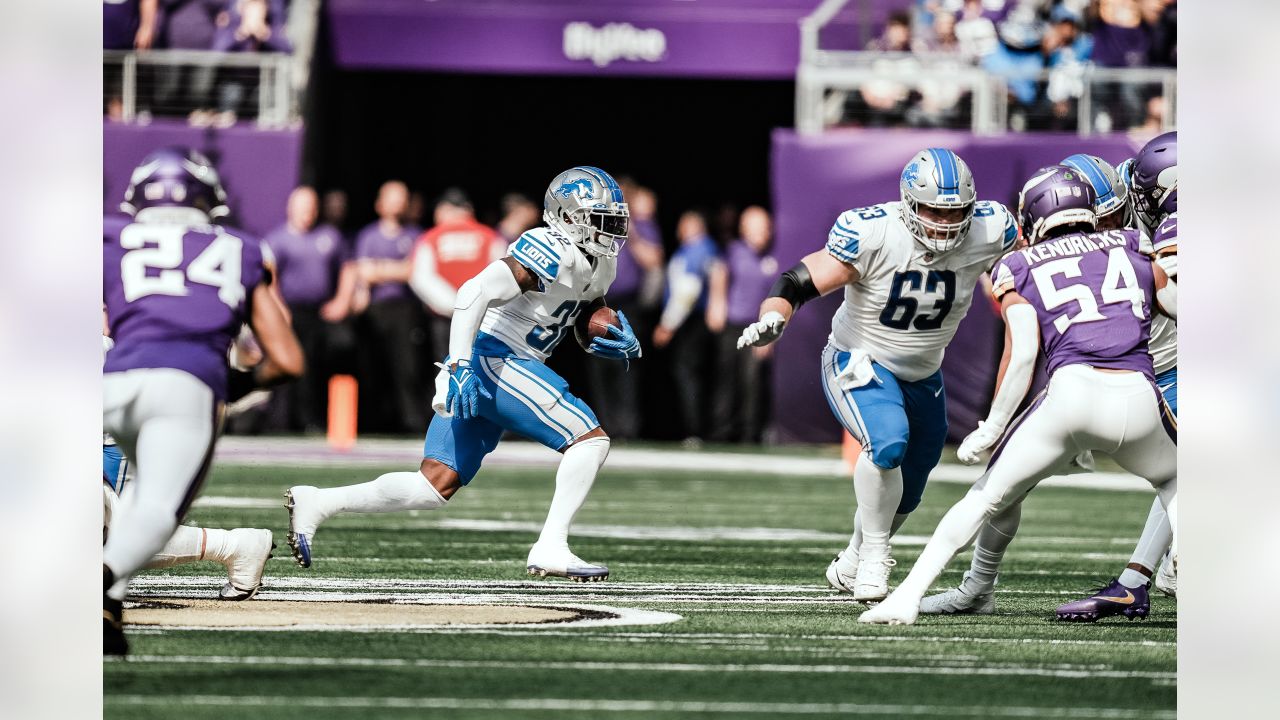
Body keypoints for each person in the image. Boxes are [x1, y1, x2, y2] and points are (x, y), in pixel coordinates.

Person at [284, 166, 641, 581]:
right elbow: (473, 292)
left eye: (614, 220)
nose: (611, 230)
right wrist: (458, 364)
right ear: (566, 217)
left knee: (433, 485)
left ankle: (318, 502)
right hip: (494, 360)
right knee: (589, 441)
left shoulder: (602, 265)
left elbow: (576, 315)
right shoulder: (551, 247)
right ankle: (551, 545)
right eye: (600, 220)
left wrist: (604, 333)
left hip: (507, 364)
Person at [859, 164, 1177, 626]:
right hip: (1139, 393)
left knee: (984, 497)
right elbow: (1176, 307)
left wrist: (992, 426)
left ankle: (905, 598)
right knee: (1182, 478)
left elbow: (1024, 355)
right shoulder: (1131, 245)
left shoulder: (1018, 264)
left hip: (1071, 395)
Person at [737, 148, 1018, 602]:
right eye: (932, 209)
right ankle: (873, 557)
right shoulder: (874, 232)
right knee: (888, 443)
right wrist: (776, 317)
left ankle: (851, 558)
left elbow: (1027, 267)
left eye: (956, 211)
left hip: (925, 373)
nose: (945, 222)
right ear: (908, 203)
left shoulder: (990, 229)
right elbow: (794, 281)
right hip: (859, 357)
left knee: (911, 486)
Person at [102, 147, 304, 654]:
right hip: (187, 384)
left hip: (109, 380)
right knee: (153, 509)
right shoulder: (241, 248)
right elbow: (286, 360)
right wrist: (231, 384)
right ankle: (104, 584)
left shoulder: (108, 239)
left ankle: (107, 601)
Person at [361, 188, 506, 360]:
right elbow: (503, 276)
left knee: (448, 369)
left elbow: (419, 277)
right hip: (485, 318)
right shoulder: (491, 237)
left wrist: (456, 307)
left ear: (445, 210)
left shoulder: (430, 238)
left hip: (445, 319)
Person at [263, 186, 359, 430]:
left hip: (320, 313)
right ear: (290, 208)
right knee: (287, 366)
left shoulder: (329, 236)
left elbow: (348, 268)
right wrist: (278, 307)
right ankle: (281, 423)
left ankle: (314, 421)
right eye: (303, 207)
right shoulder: (278, 239)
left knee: (318, 367)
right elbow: (269, 275)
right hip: (290, 312)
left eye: (312, 207)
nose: (308, 213)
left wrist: (342, 300)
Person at [586, 182, 664, 440]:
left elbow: (653, 260)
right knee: (599, 365)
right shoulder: (594, 225)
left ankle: (628, 428)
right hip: (597, 302)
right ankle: (605, 425)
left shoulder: (640, 226)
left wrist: (631, 233)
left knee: (625, 364)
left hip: (627, 306)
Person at [353, 180, 428, 432]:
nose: (397, 203)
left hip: (406, 309)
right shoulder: (368, 236)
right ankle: (374, 422)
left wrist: (380, 268)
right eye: (392, 197)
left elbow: (413, 270)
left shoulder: (416, 235)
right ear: (380, 203)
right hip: (377, 310)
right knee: (374, 366)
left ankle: (410, 422)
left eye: (402, 198)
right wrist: (395, 269)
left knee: (407, 367)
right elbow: (363, 272)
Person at [707, 206, 778, 443]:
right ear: (744, 229)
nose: (762, 233)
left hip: (757, 328)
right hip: (732, 326)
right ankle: (720, 432)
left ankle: (750, 434)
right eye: (756, 227)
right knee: (726, 378)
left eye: (765, 228)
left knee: (752, 380)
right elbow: (720, 274)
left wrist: (767, 332)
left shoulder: (773, 256)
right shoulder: (733, 251)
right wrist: (716, 304)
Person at [654, 211, 721, 443]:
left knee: (687, 373)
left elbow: (688, 291)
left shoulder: (697, 250)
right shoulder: (706, 249)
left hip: (690, 321)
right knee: (693, 373)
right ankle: (697, 427)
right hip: (694, 320)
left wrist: (667, 324)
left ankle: (694, 428)